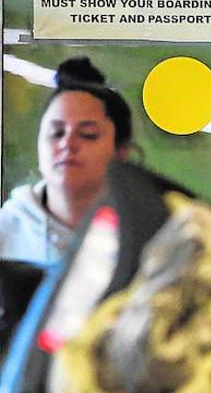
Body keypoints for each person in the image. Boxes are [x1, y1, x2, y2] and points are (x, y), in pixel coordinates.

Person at [0, 57, 133, 264]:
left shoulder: (151, 234)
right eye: (56, 133)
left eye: (88, 134)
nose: (67, 144)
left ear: (121, 152)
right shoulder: (5, 232)